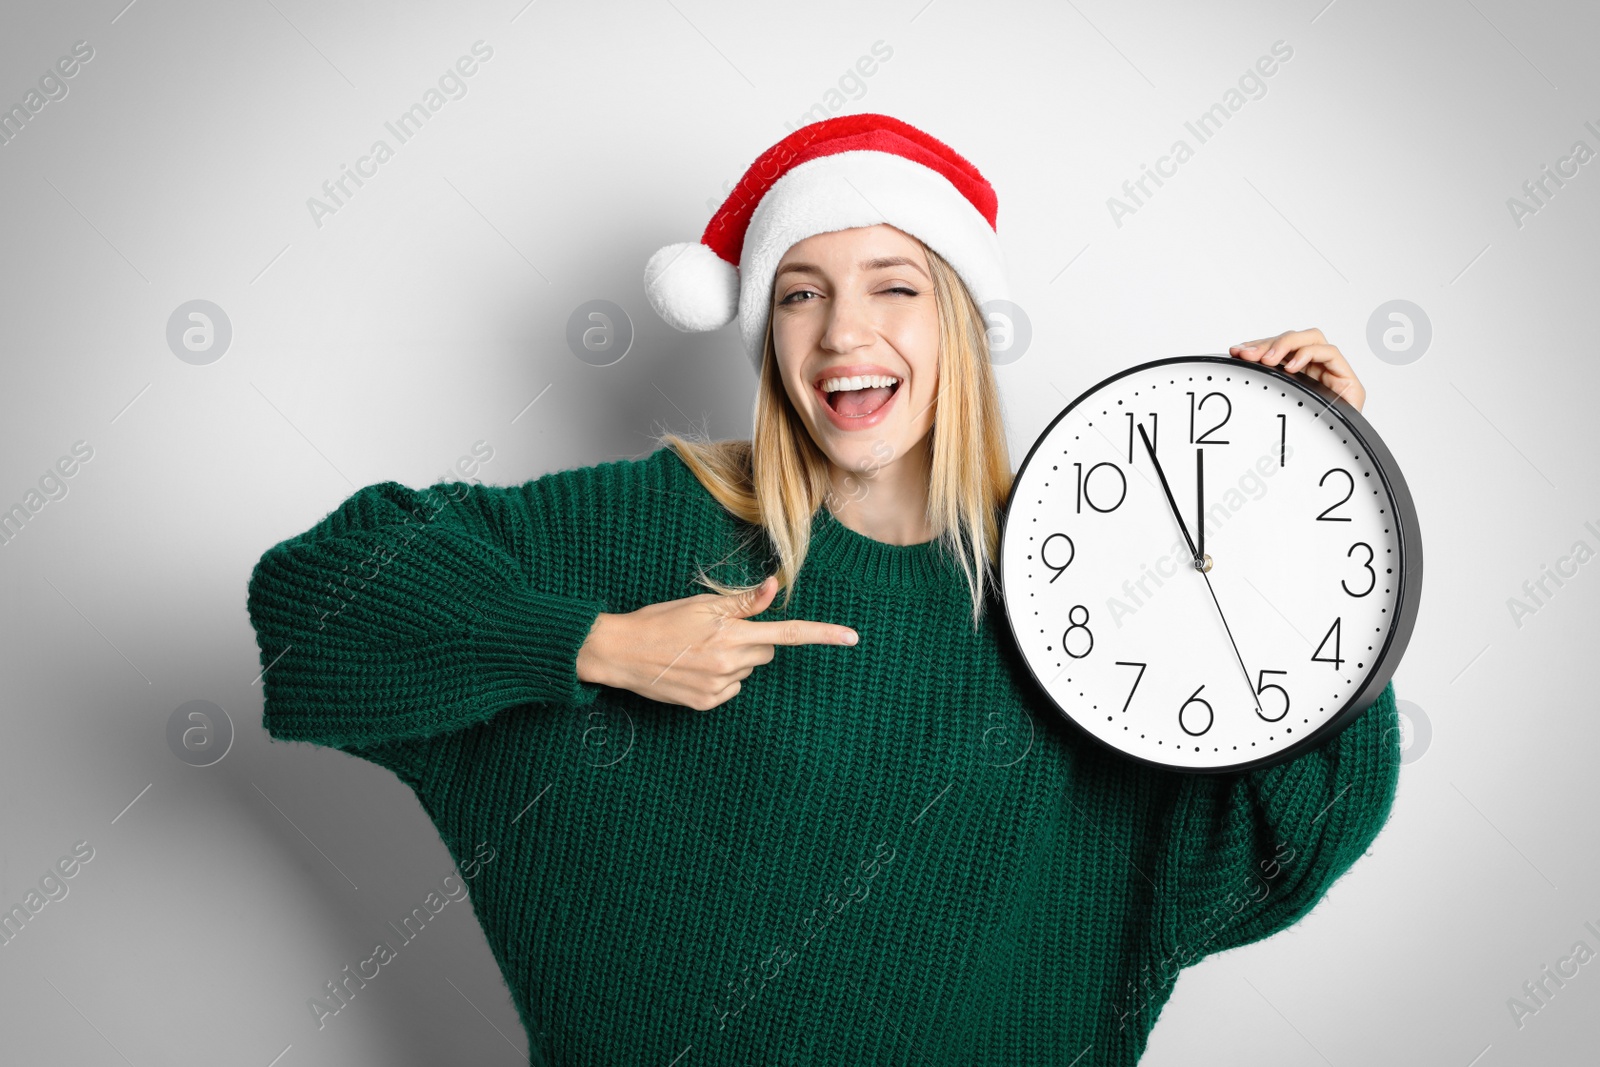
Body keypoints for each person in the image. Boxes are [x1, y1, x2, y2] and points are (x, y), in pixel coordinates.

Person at [247, 113, 1397, 1066]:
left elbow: (1291, 838)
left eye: (892, 286)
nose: (844, 329)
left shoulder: (1081, 580)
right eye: (800, 293)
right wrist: (596, 644)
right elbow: (315, 598)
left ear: (954, 317)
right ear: (763, 328)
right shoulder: (664, 518)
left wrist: (1306, 489)